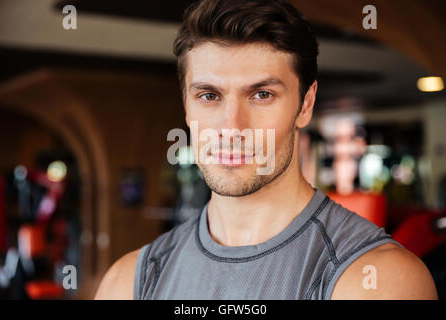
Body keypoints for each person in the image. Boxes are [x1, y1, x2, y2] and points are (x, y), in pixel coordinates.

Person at [95, 0, 437, 300]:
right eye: (209, 96)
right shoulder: (130, 281)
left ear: (305, 105)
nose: (232, 127)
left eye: (262, 95)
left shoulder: (375, 280)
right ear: (187, 106)